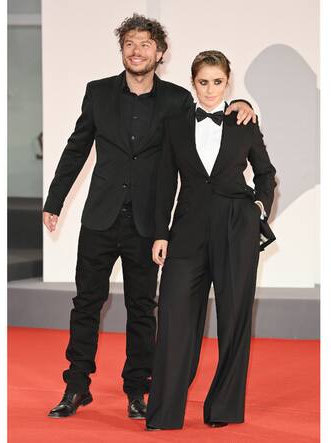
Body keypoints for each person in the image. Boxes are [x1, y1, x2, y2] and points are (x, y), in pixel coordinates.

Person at [43, 15, 256, 420]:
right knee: (87, 302)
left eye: (145, 44)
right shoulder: (98, 93)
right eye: (129, 43)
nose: (136, 50)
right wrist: (54, 200)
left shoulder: (178, 100)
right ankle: (75, 387)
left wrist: (244, 105)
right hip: (100, 217)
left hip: (148, 223)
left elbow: (214, 109)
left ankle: (137, 390)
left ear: (160, 53)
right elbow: (77, 148)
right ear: (121, 50)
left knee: (143, 307)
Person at [146, 50, 276, 430]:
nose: (209, 89)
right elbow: (165, 183)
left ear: (227, 83)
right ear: (193, 82)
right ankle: (165, 413)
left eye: (217, 82)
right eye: (203, 82)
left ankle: (224, 409)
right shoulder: (175, 123)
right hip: (186, 230)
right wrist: (160, 233)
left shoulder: (244, 122)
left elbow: (266, 173)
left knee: (234, 317)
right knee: (173, 318)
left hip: (236, 226)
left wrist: (257, 210)